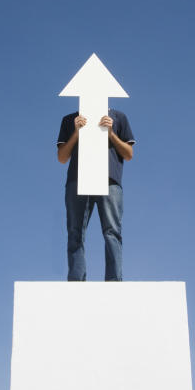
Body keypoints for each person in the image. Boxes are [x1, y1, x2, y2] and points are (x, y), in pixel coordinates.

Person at [56, 110, 136, 281]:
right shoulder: (69, 119)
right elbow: (62, 157)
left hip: (109, 180)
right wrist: (76, 133)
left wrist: (111, 134)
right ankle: (76, 280)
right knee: (75, 231)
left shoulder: (118, 117)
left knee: (112, 231)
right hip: (77, 180)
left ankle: (114, 281)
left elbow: (129, 154)